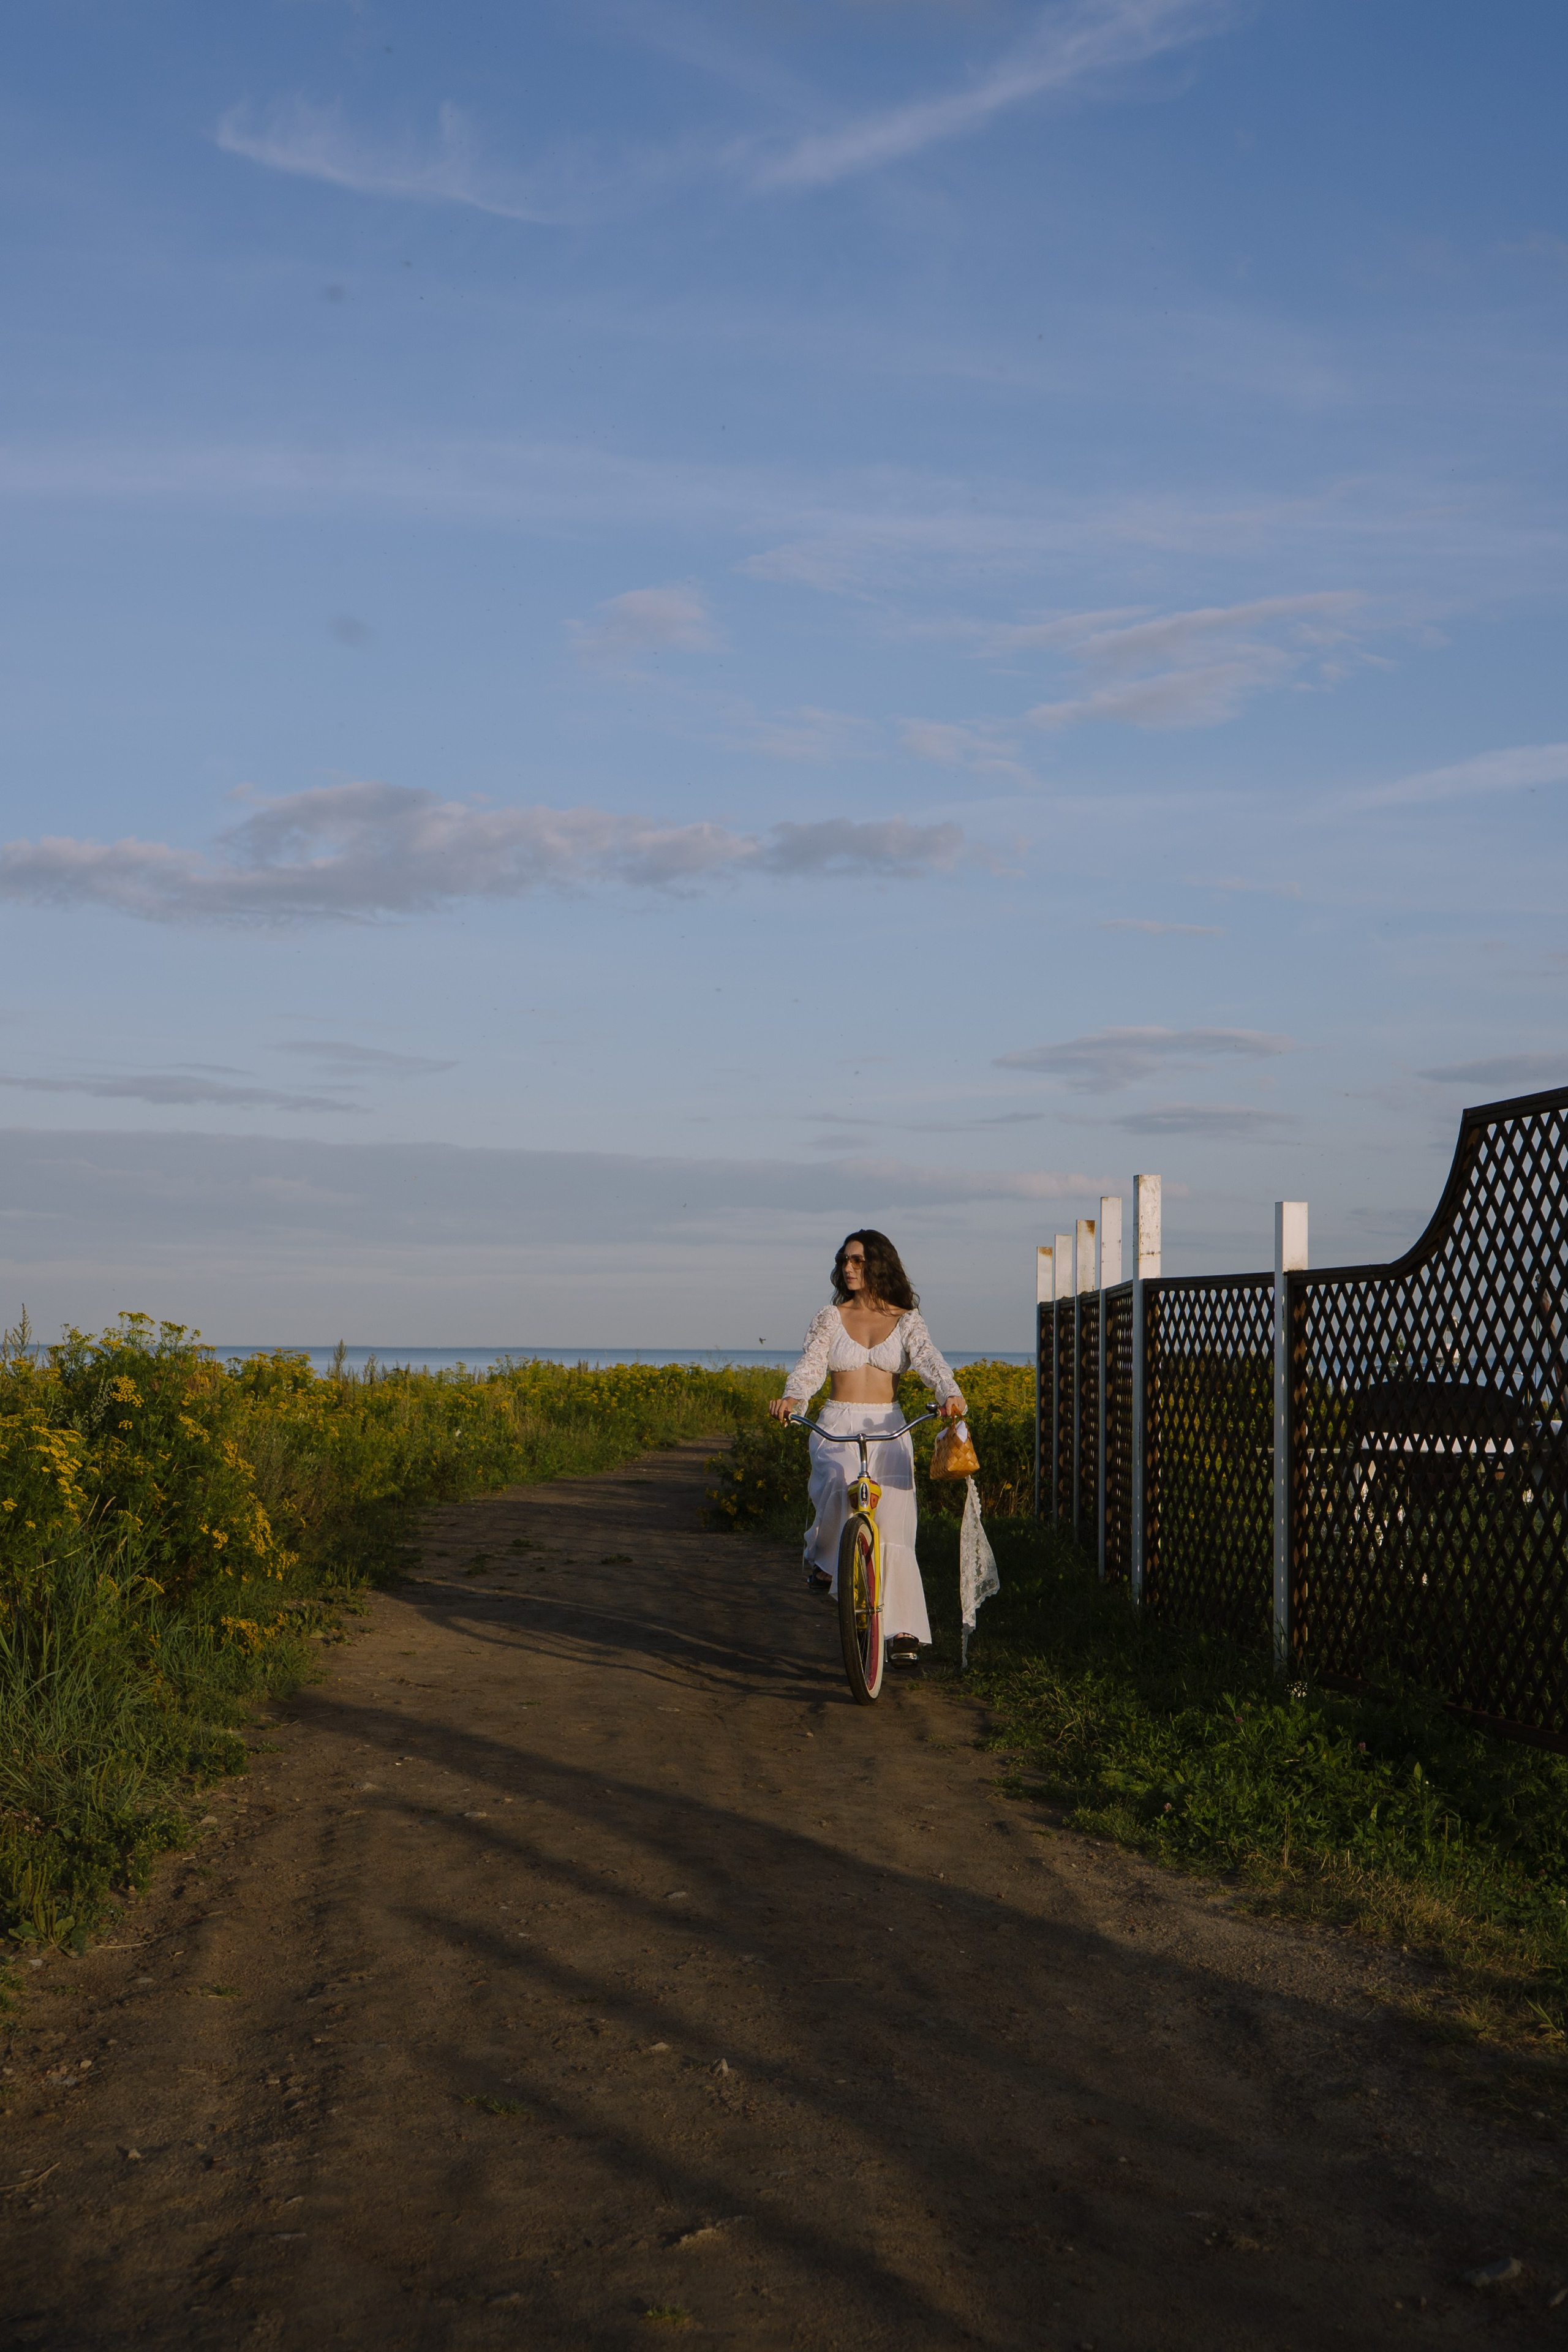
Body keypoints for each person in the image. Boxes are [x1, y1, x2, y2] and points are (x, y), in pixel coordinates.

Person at [769, 1229, 965, 1665]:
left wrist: (949, 1392)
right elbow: (810, 1367)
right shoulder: (830, 1317)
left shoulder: (906, 1319)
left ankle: (903, 1632)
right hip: (838, 1422)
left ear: (879, 1264)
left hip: (889, 1426)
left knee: (895, 1526)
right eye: (845, 1260)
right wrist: (793, 1399)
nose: (848, 1268)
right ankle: (828, 1560)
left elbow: (929, 1360)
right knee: (839, 1482)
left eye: (858, 1260)